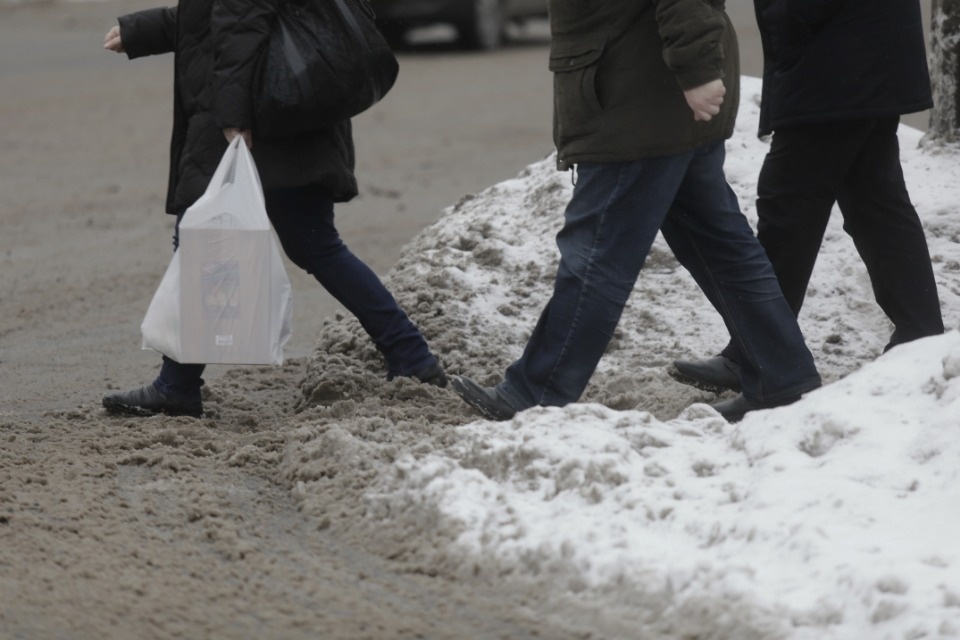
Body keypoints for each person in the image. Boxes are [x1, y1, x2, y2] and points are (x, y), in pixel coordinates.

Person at [450, 0, 822, 423]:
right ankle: (784, 377)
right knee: (721, 247)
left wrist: (697, 67)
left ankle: (535, 393)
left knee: (596, 256)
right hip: (651, 92)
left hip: (638, 101)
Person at [100, 1, 446, 419]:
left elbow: (241, 23)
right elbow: (223, 12)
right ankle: (410, 355)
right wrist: (146, 30)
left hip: (260, 121)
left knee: (210, 241)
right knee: (306, 244)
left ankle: (177, 386)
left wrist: (234, 117)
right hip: (286, 114)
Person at [670, 0, 945, 394]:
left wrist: (788, 15)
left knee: (789, 205)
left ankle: (760, 354)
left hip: (836, 62)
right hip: (861, 54)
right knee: (875, 202)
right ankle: (921, 339)